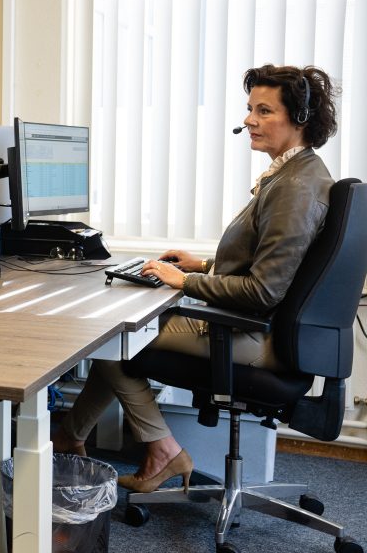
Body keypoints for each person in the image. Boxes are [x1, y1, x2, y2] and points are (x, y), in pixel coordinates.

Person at [52, 64, 338, 493]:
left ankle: (164, 451)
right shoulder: (295, 173)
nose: (249, 120)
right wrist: (199, 266)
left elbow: (263, 290)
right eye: (249, 109)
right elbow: (270, 267)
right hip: (260, 325)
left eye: (263, 111)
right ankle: (70, 439)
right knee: (115, 338)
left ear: (300, 119)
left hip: (255, 337)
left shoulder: (295, 189)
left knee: (112, 339)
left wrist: (180, 282)